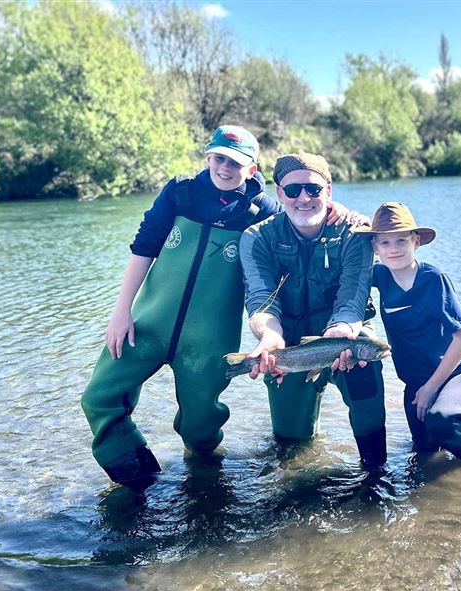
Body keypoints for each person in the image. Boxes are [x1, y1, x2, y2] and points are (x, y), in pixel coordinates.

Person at [80, 127, 354, 489]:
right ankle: (137, 482)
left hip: (209, 342)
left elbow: (302, 212)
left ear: (252, 169)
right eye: (219, 158)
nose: (225, 168)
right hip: (146, 324)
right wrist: (121, 311)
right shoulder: (179, 193)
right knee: (99, 397)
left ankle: (204, 487)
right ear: (208, 156)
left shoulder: (262, 212)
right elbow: (143, 245)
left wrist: (336, 209)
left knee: (201, 426)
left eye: (236, 163)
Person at [239, 152, 387, 470]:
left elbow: (353, 295)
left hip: (345, 333)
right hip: (289, 344)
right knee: (291, 447)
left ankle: (375, 471)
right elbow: (261, 301)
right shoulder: (256, 238)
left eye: (313, 189)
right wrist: (269, 337)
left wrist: (342, 329)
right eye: (293, 191)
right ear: (279, 193)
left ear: (328, 191)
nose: (304, 198)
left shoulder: (355, 233)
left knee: (365, 363)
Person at [354, 203, 461, 460]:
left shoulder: (434, 279)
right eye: (385, 243)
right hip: (415, 380)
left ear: (416, 242)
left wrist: (429, 389)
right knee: (424, 450)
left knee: (443, 421)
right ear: (374, 247)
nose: (393, 249)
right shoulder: (380, 276)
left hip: (457, 372)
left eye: (401, 241)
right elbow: (345, 272)